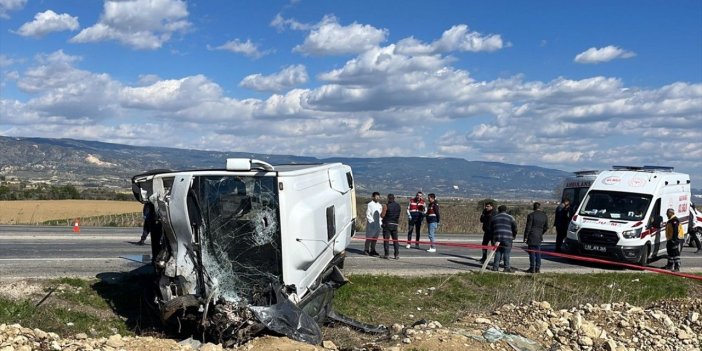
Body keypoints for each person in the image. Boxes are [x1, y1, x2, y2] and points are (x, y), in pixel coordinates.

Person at [490, 205, 518, 273]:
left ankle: (495, 267)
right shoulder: (511, 217)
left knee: (498, 252)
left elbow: (491, 229)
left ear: (498, 210)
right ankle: (506, 268)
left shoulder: (494, 218)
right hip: (507, 237)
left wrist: (493, 238)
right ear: (506, 210)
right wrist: (514, 235)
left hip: (497, 237)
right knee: (506, 253)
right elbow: (515, 228)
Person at [523, 202, 549, 273]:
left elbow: (528, 227)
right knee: (538, 252)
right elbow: (546, 227)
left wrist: (525, 236)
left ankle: (532, 268)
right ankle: (538, 268)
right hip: (539, 235)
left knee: (532, 252)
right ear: (540, 207)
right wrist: (541, 232)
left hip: (532, 235)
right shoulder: (544, 216)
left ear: (533, 207)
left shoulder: (531, 215)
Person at [381, 193, 401, 259]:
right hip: (395, 224)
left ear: (388, 199)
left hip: (387, 224)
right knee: (395, 240)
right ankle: (396, 254)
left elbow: (382, 215)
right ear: (394, 198)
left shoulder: (386, 206)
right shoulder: (398, 206)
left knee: (386, 240)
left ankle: (387, 254)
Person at [364, 192, 383, 256]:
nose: (377, 198)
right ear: (373, 197)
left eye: (378, 197)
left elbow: (381, 215)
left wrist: (380, 222)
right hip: (371, 224)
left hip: (378, 224)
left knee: (375, 238)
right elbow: (368, 214)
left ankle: (373, 250)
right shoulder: (370, 204)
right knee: (369, 237)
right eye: (376, 197)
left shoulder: (380, 205)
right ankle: (366, 249)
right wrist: (372, 222)